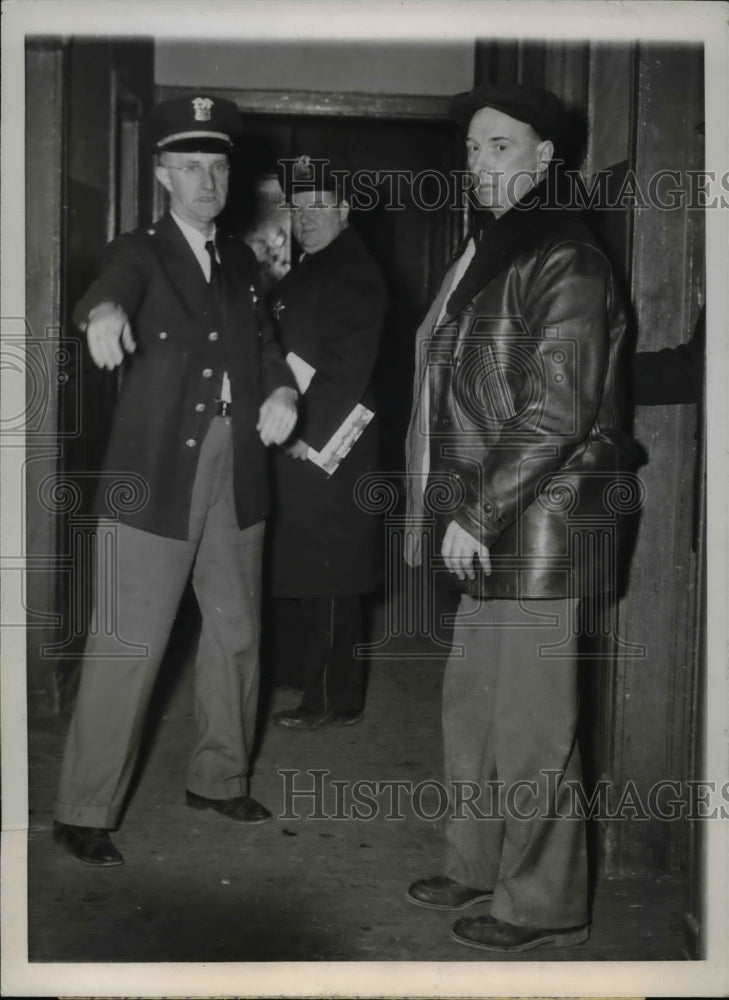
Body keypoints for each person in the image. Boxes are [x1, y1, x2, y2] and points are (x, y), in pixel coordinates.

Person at [404, 83, 641, 951]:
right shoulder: (496, 249)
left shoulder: (565, 256)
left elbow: (555, 409)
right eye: (472, 148)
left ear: (545, 158)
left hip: (539, 531)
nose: (478, 164)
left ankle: (540, 903)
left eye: (499, 147)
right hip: (494, 526)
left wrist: (477, 510)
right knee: (472, 708)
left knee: (535, 728)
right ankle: (473, 863)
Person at [53, 95, 298, 867]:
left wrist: (284, 391)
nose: (206, 181)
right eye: (189, 167)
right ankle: (81, 809)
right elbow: (108, 288)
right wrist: (98, 320)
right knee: (128, 641)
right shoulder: (141, 249)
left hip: (239, 467)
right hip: (156, 473)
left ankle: (219, 778)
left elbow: (263, 345)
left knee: (236, 633)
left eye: (217, 167)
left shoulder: (240, 263)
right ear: (162, 176)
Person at [267, 155, 386, 729]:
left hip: (334, 442)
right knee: (308, 567)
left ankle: (333, 700)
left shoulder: (352, 269)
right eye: (299, 206)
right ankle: (305, 677)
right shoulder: (312, 266)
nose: (307, 217)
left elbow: (348, 368)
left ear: (345, 208)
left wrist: (304, 434)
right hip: (305, 441)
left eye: (320, 206)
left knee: (333, 573)